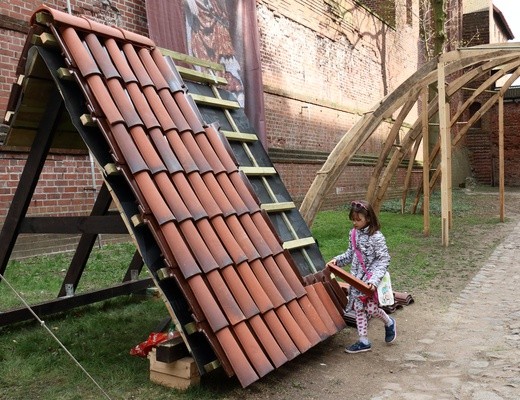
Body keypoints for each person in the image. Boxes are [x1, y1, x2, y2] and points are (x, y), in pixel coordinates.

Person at [327, 200, 396, 353]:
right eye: (353, 219)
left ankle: (389, 322)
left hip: (370, 280)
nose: (355, 222)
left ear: (369, 219)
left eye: (358, 220)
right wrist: (337, 260)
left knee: (371, 309)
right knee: (359, 308)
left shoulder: (377, 237)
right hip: (356, 280)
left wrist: (374, 280)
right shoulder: (353, 234)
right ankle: (363, 340)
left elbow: (384, 259)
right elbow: (350, 254)